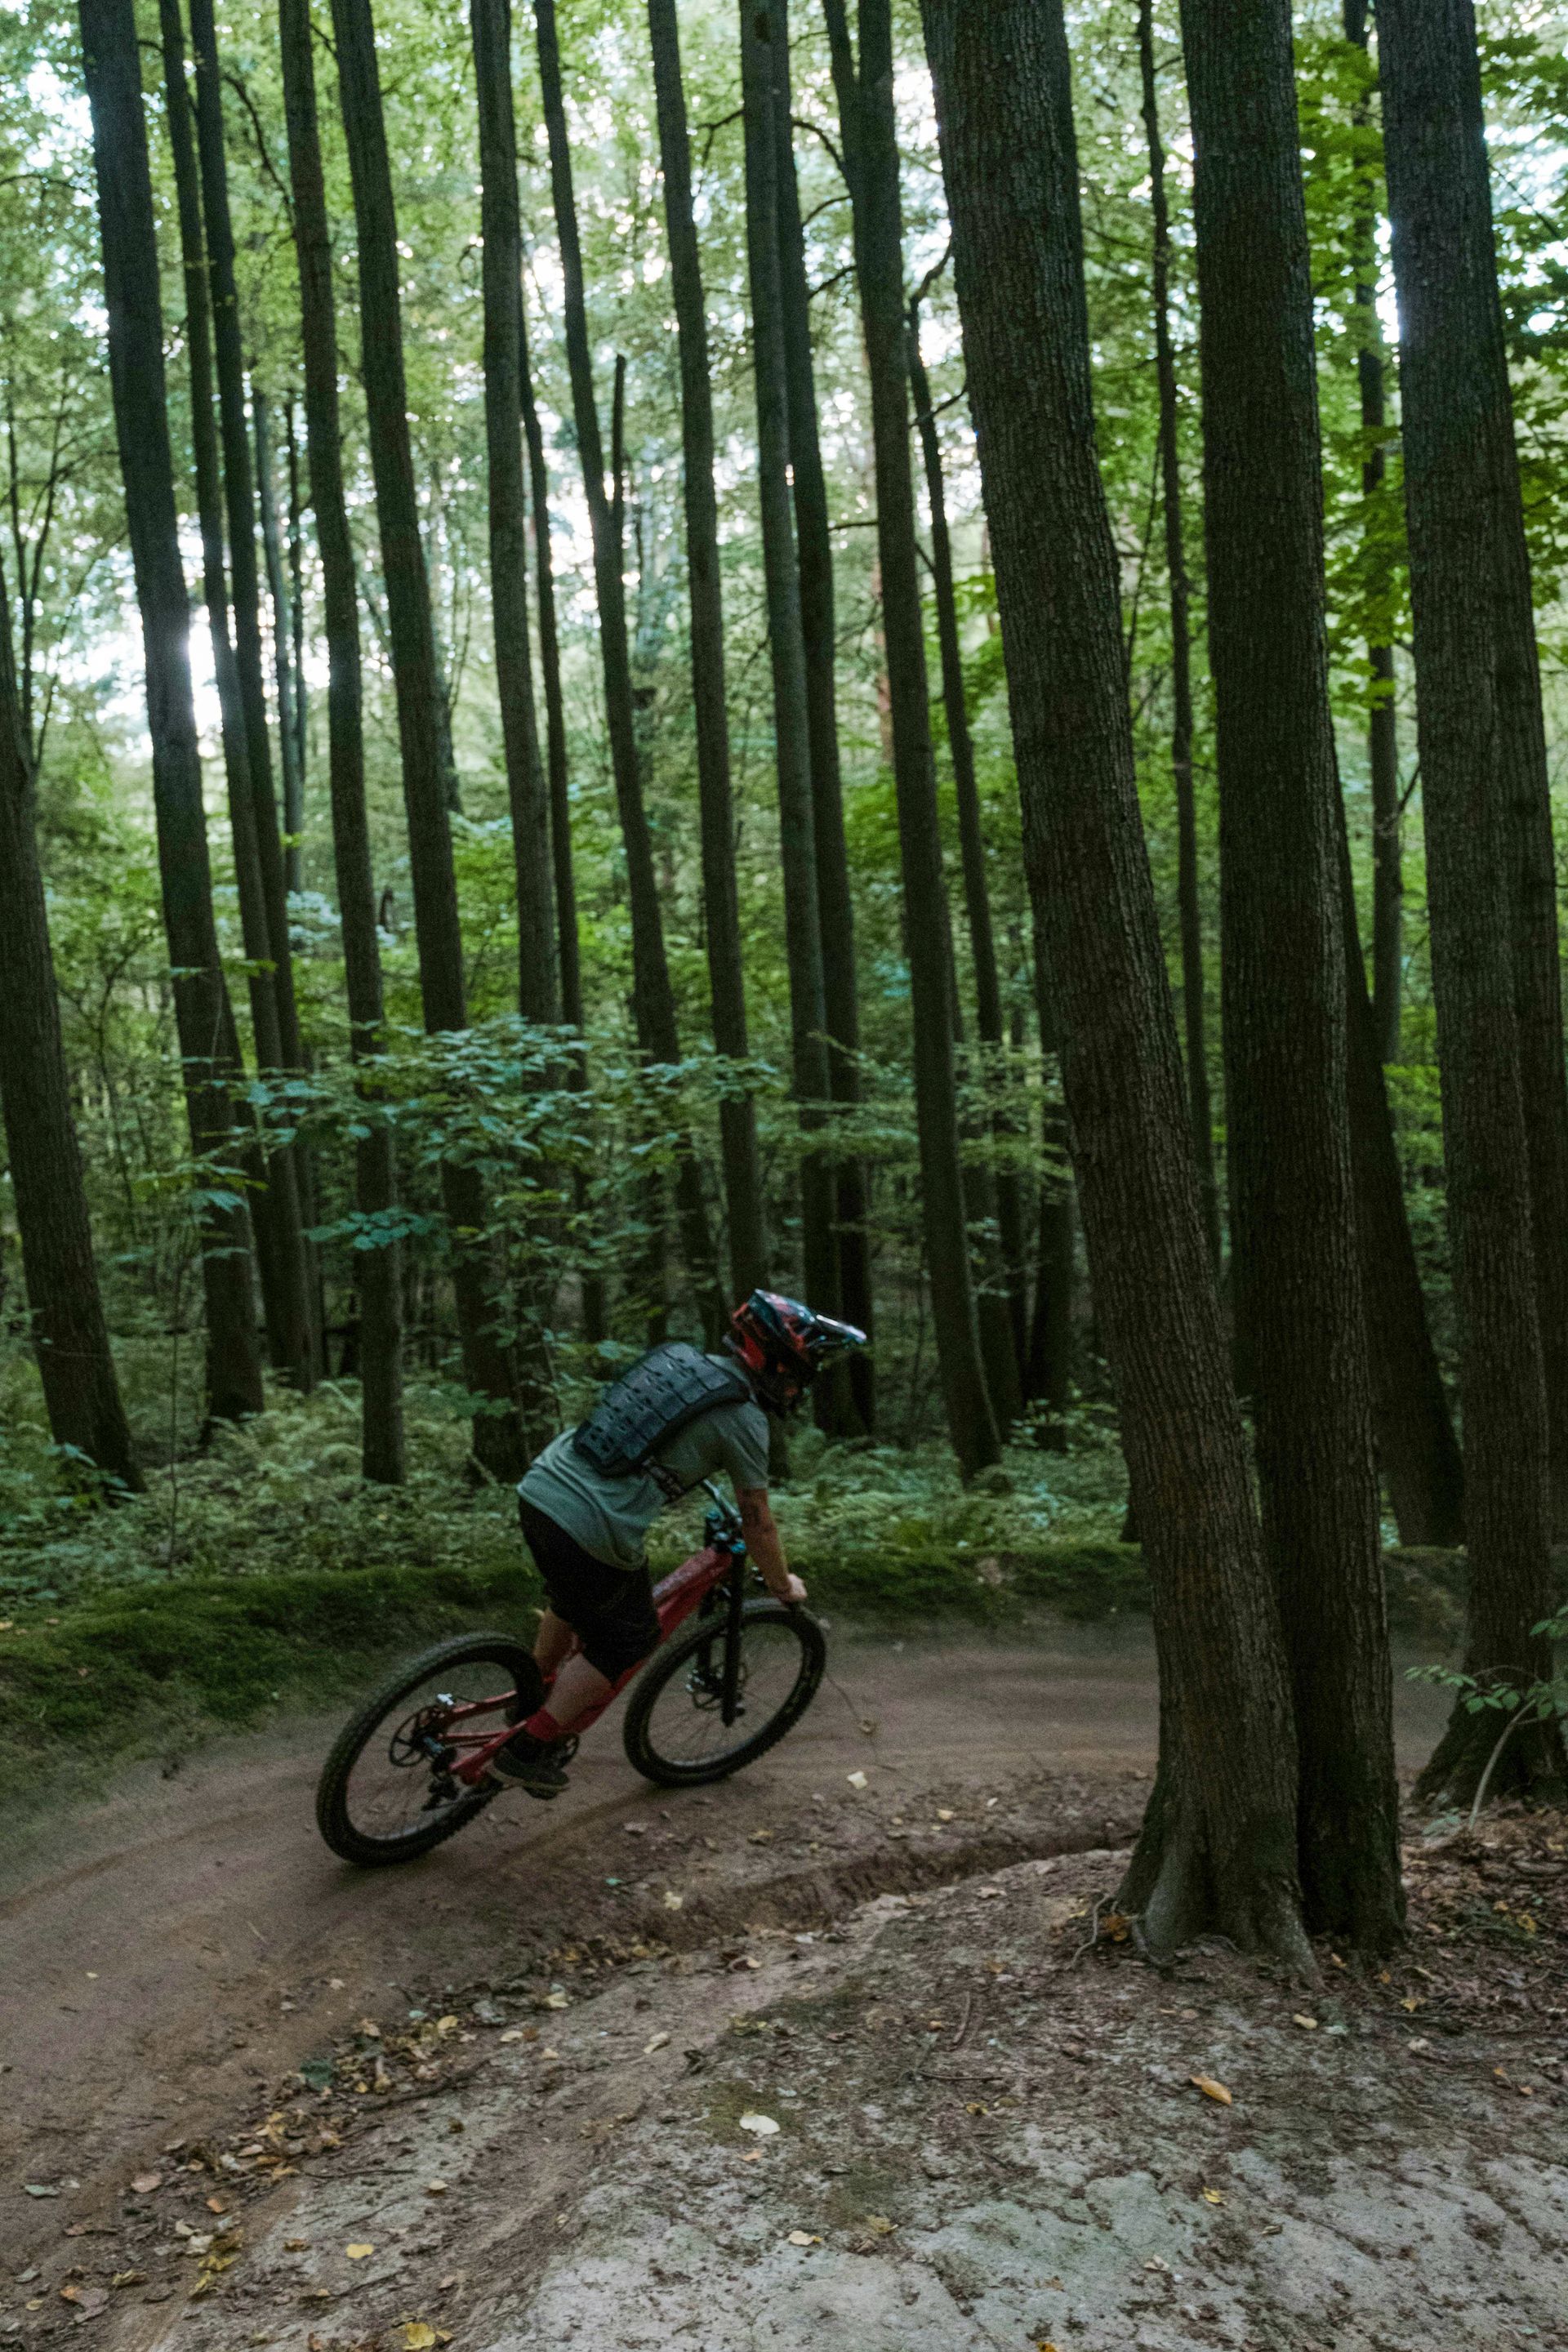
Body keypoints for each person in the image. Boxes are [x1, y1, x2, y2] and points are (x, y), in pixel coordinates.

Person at [492, 1290, 865, 1797]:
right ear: (779, 1363)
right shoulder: (745, 1416)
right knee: (628, 1639)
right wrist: (781, 1585)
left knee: (576, 1594)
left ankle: (531, 1693)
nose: (802, 1384)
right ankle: (528, 1749)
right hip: (591, 1522)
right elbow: (757, 1520)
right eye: (804, 1369)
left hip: (543, 1486)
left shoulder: (680, 1362)